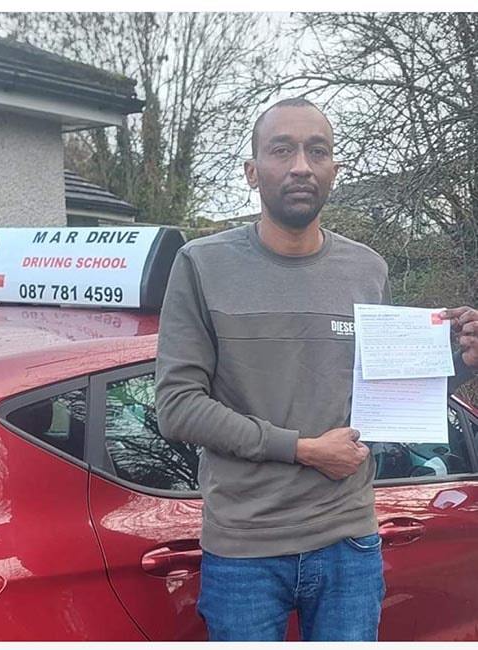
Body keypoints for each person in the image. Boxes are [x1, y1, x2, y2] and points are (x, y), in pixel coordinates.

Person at [155, 97, 478, 641]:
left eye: (317, 150)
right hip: (244, 549)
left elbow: (384, 396)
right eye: (282, 149)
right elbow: (177, 407)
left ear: (334, 170)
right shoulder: (200, 265)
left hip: (348, 543)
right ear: (253, 172)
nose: (301, 165)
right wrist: (303, 449)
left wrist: (460, 364)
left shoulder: (367, 270)